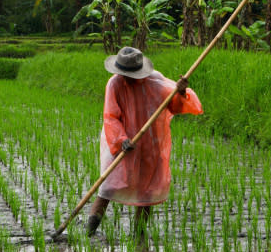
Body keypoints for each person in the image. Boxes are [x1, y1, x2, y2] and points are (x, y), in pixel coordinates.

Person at [86, 46, 203, 237]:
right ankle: (89, 231)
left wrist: (181, 92)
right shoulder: (114, 84)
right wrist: (122, 139)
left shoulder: (155, 80)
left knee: (147, 191)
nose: (127, 78)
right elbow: (111, 116)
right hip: (120, 141)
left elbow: (173, 105)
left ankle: (138, 234)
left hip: (150, 141)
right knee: (107, 186)